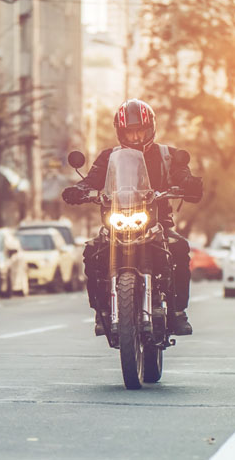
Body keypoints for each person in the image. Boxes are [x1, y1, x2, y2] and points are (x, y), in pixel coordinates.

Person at [62, 99, 202, 336]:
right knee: (93, 252)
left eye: (140, 131)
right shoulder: (109, 157)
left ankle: (178, 312)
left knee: (179, 248)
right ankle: (102, 311)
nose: (136, 137)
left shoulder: (169, 155)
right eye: (130, 131)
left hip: (157, 224)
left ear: (150, 129)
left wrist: (188, 183)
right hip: (117, 221)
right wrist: (80, 190)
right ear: (121, 132)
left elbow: (182, 174)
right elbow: (92, 180)